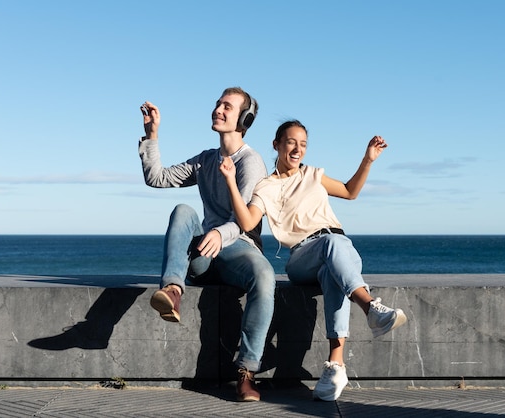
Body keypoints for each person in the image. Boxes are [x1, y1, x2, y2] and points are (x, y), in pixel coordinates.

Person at [219, 120, 407, 401]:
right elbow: (246, 221)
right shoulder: (266, 186)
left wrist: (368, 160)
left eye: (303, 144)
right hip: (302, 257)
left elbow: (349, 192)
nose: (297, 149)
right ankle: (370, 307)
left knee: (334, 267)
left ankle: (335, 364)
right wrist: (231, 181)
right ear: (277, 145)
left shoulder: (313, 174)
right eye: (291, 142)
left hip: (338, 248)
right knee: (332, 245)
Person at [138, 87, 275, 402]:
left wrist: (220, 234)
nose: (219, 109)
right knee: (184, 211)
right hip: (205, 256)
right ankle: (173, 291)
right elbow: (157, 178)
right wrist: (151, 135)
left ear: (244, 118)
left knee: (265, 276)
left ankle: (246, 374)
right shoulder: (204, 160)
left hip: (239, 248)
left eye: (228, 106)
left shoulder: (251, 161)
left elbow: (246, 219)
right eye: (218, 104)